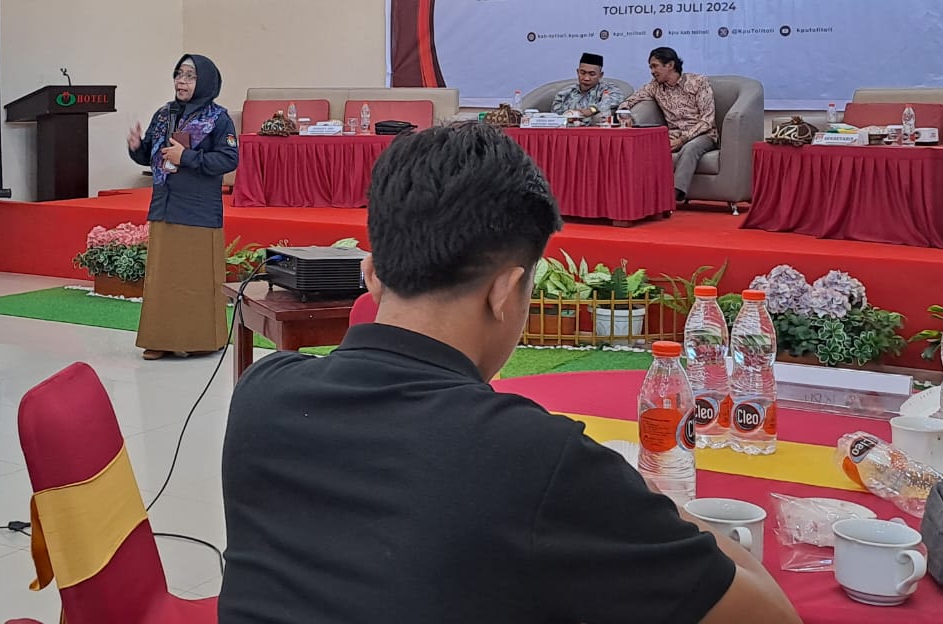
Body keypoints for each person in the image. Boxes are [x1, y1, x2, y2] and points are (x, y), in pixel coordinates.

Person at [218, 123, 800, 624]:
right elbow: (768, 614)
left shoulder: (263, 395)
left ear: (370, 275)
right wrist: (650, 501)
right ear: (505, 292)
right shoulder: (539, 460)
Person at [126, 53, 238, 360]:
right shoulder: (164, 114)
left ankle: (200, 340)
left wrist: (186, 157)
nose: (181, 81)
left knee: (195, 279)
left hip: (198, 210)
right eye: (178, 74)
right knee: (162, 279)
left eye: (190, 76)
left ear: (205, 81)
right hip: (165, 205)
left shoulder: (219, 119)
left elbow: (229, 159)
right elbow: (151, 153)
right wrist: (137, 147)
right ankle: (160, 339)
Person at [622, 46, 716, 202]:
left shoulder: (698, 82)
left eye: (655, 66)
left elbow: (707, 120)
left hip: (702, 134)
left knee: (690, 148)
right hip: (673, 133)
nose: (652, 71)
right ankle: (639, 195)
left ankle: (672, 196)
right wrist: (625, 114)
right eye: (650, 67)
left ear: (670, 65)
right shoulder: (654, 86)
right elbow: (629, 101)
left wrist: (682, 139)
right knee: (643, 146)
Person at [551, 51, 625, 123]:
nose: (586, 78)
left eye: (592, 74)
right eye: (582, 73)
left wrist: (592, 110)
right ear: (578, 72)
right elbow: (555, 119)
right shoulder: (564, 94)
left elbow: (617, 99)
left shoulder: (608, 89)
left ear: (600, 75)